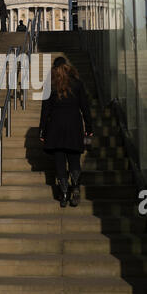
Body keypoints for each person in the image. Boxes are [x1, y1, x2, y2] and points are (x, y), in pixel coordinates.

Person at [39, 57, 93, 208]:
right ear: (68, 67)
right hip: (74, 127)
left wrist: (42, 131)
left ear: (54, 69)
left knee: (60, 163)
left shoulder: (50, 84)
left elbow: (45, 110)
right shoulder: (77, 83)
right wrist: (89, 128)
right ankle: (75, 188)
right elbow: (85, 107)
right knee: (74, 160)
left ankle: (63, 194)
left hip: (55, 128)